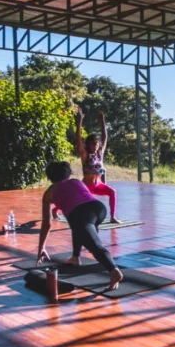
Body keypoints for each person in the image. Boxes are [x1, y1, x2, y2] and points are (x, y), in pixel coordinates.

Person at [37, 161, 124, 289]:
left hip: (81, 214)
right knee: (77, 227)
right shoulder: (76, 181)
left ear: (49, 178)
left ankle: (114, 271)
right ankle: (75, 257)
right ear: (67, 174)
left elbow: (46, 224)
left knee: (94, 245)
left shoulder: (49, 192)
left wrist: (41, 248)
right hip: (99, 209)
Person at [52, 109, 118, 223]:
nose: (95, 145)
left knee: (112, 192)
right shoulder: (85, 154)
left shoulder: (100, 153)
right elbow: (78, 138)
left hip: (98, 185)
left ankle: (112, 217)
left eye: (97, 143)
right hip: (86, 186)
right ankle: (55, 209)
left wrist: (103, 122)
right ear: (88, 144)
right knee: (73, 199)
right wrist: (80, 121)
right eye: (93, 143)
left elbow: (105, 137)